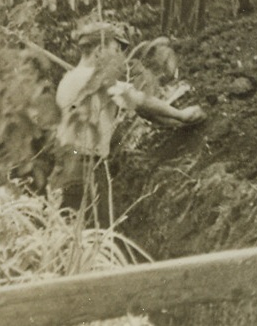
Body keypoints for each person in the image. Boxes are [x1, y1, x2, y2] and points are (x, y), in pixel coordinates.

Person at [53, 20, 204, 204]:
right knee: (98, 230)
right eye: (115, 50)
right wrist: (181, 115)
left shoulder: (69, 79)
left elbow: (143, 110)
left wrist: (171, 122)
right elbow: (140, 101)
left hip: (68, 168)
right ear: (99, 51)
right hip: (86, 169)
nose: (119, 58)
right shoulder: (94, 80)